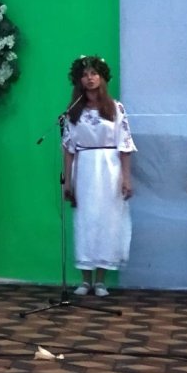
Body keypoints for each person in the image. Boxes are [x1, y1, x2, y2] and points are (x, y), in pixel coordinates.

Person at [61, 55, 136, 297]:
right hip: (84, 169)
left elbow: (125, 146)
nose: (90, 78)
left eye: (94, 73)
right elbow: (68, 149)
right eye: (85, 75)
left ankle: (101, 280)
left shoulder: (115, 108)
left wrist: (126, 178)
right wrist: (68, 181)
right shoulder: (74, 111)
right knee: (85, 221)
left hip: (109, 169)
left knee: (107, 221)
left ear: (102, 78)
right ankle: (85, 280)